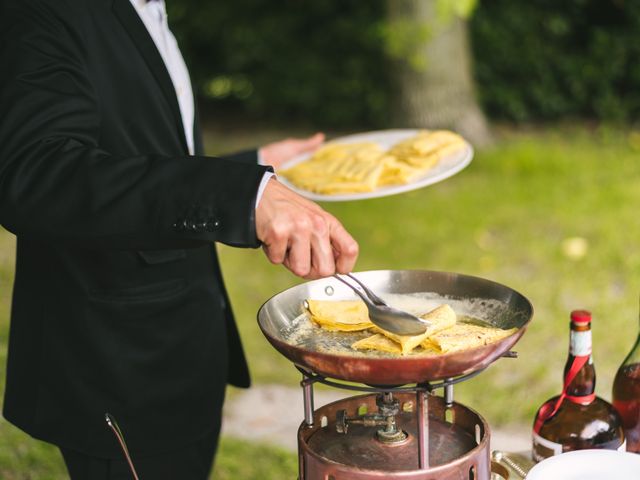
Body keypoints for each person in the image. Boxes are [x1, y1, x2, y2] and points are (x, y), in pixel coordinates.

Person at [0, 0, 359, 478]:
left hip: (183, 348)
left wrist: (252, 163)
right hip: (118, 364)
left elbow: (138, 153)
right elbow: (38, 175)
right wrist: (240, 195)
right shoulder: (41, 10)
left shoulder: (149, 11)